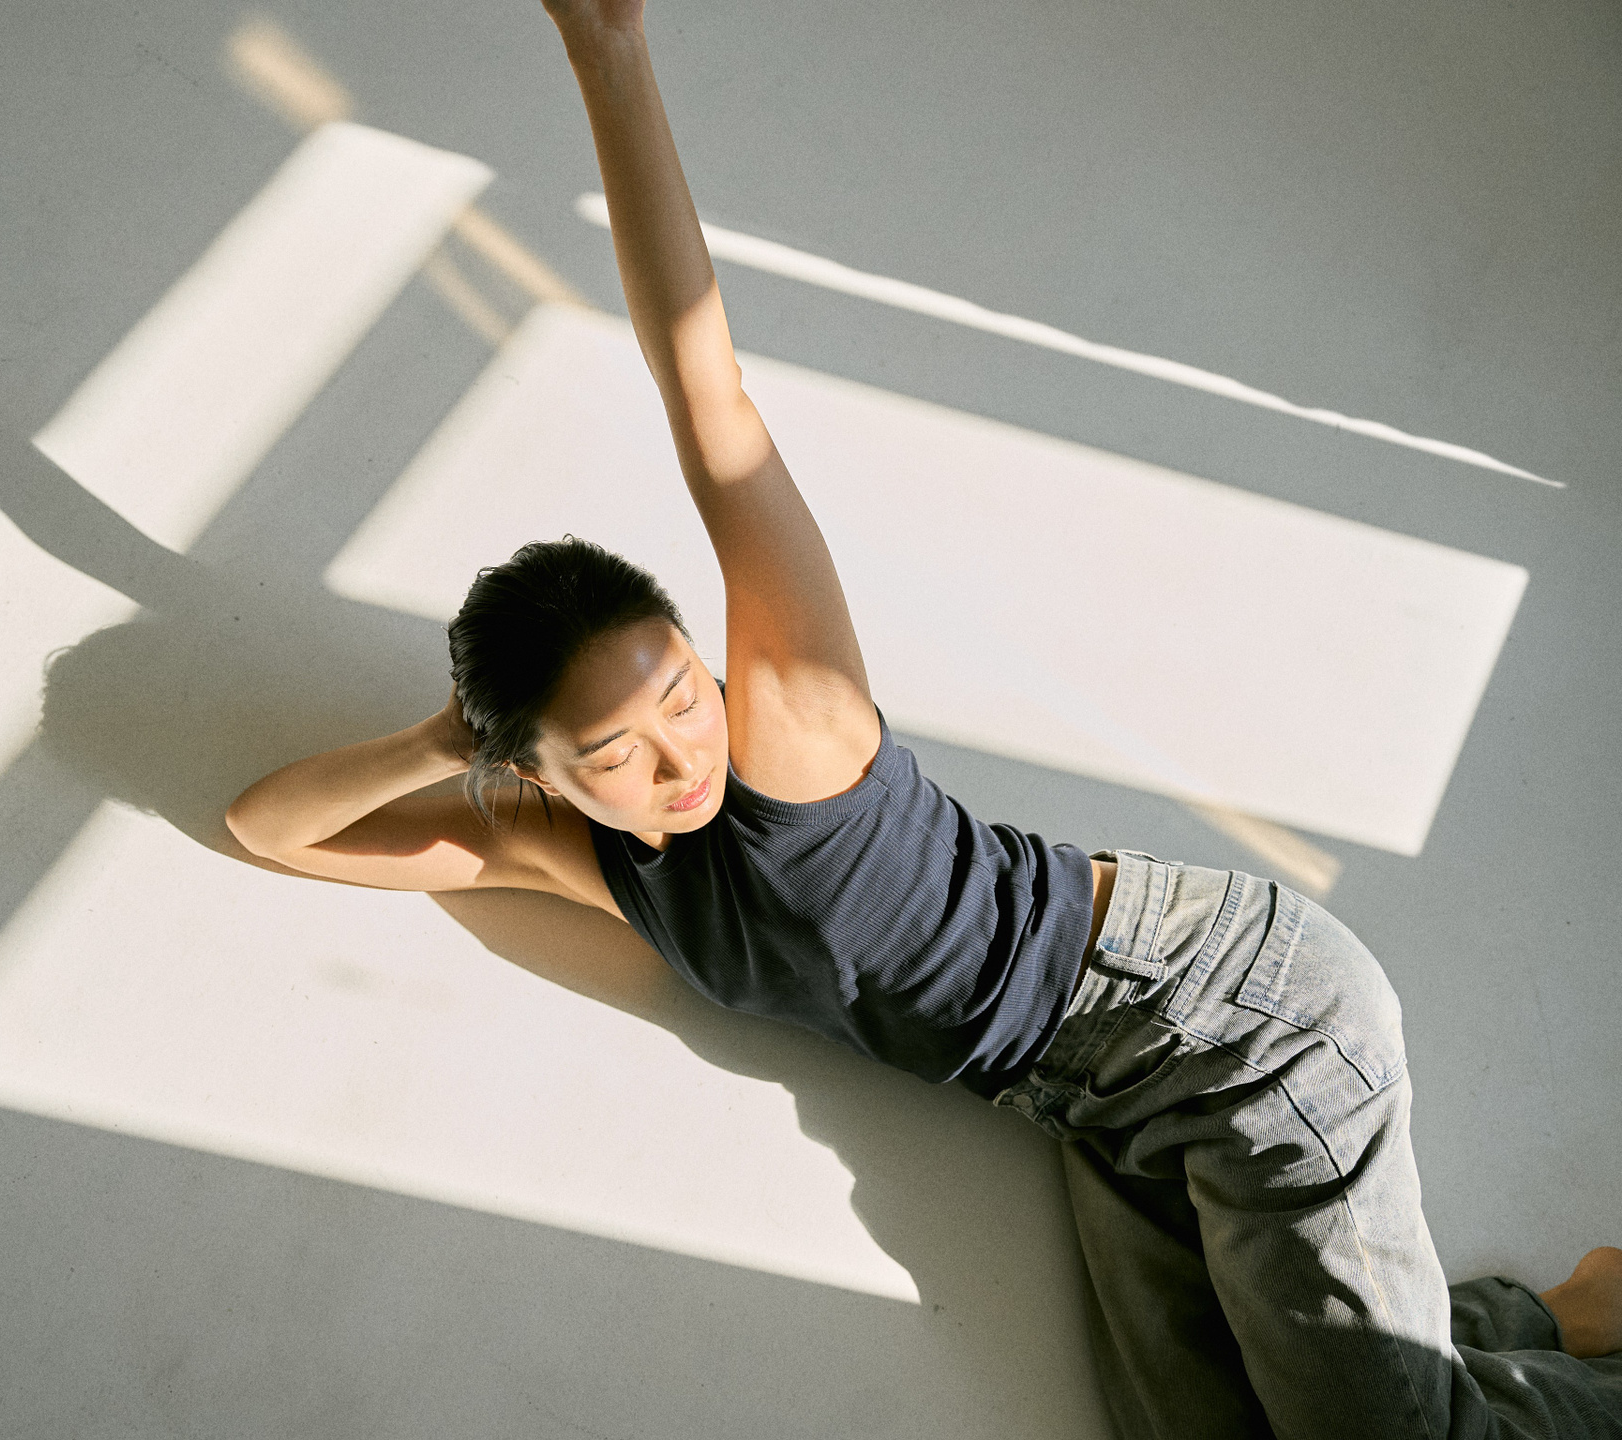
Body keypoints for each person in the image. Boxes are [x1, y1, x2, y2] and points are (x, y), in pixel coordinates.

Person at [224, 2, 1622, 1433]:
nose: (680, 754)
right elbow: (266, 829)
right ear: (541, 776)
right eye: (615, 756)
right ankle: (1542, 1326)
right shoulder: (579, 858)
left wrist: (611, 53)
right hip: (1098, 1107)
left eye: (683, 694)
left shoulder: (793, 742)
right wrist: (440, 745)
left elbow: (709, 401)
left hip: (1225, 1020)